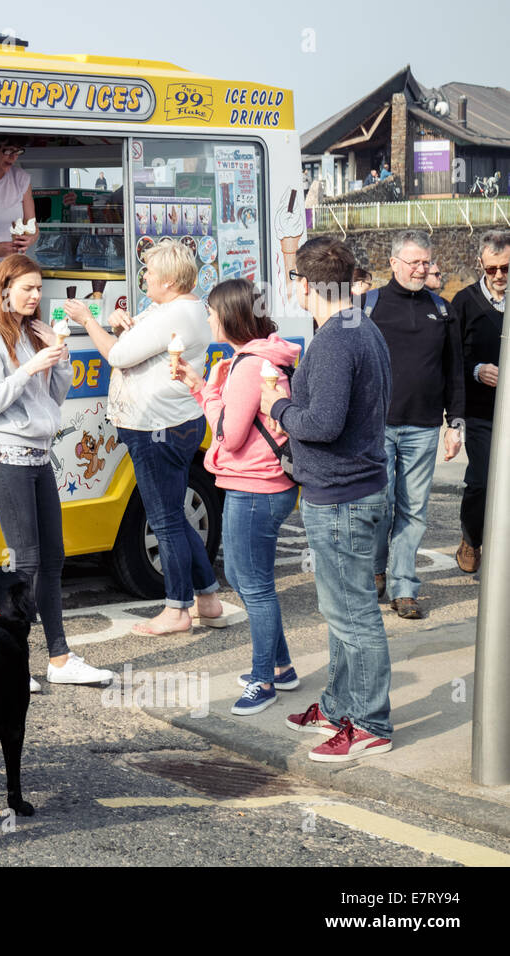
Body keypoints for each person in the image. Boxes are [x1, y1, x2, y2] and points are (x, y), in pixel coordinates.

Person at [260, 236, 394, 762]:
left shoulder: (338, 338)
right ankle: (340, 706)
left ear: (307, 284)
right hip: (351, 489)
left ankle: (369, 723)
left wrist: (279, 405)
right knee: (341, 611)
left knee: (353, 614)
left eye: (292, 278)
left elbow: (323, 423)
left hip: (341, 496)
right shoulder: (361, 326)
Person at [0, 253, 117, 689]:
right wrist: (31, 365)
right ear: (5, 288)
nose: (36, 296)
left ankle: (60, 658)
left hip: (38, 456)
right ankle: (8, 661)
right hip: (6, 458)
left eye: (39, 288)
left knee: (53, 558)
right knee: (26, 563)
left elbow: (51, 399)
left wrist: (60, 358)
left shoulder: (33, 331)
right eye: (27, 288)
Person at [67, 238, 223, 635]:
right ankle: (207, 595)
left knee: (165, 518)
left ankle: (177, 609)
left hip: (156, 426)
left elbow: (118, 356)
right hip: (179, 421)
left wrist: (88, 321)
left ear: (169, 281)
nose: (144, 277)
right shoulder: (186, 309)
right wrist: (127, 326)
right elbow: (149, 343)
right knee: (174, 513)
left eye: (149, 272)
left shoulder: (172, 314)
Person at [172, 279, 302, 715]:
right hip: (263, 484)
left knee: (254, 587)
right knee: (252, 583)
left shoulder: (247, 366)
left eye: (211, 312)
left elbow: (228, 435)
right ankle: (280, 667)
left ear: (228, 316)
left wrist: (205, 390)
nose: (208, 319)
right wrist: (200, 384)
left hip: (254, 488)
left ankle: (263, 680)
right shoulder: (255, 358)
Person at [366, 230, 464, 618]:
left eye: (426, 262)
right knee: (379, 505)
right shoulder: (368, 306)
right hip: (377, 427)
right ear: (393, 263)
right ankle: (375, 569)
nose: (422, 269)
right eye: (414, 262)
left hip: (423, 428)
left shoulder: (442, 310)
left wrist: (455, 423)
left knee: (414, 510)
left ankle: (403, 585)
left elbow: (454, 370)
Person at [451, 229, 510, 573]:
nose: (500, 276)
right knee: (483, 480)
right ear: (480, 266)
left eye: (506, 268)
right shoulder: (464, 302)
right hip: (481, 411)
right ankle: (471, 539)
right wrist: (476, 369)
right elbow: (452, 355)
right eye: (492, 270)